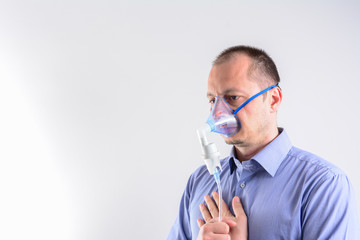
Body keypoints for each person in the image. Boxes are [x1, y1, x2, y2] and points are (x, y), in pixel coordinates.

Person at [167, 45, 360, 240]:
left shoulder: (322, 185)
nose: (218, 113)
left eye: (233, 98)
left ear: (273, 99)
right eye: (212, 101)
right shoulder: (199, 182)